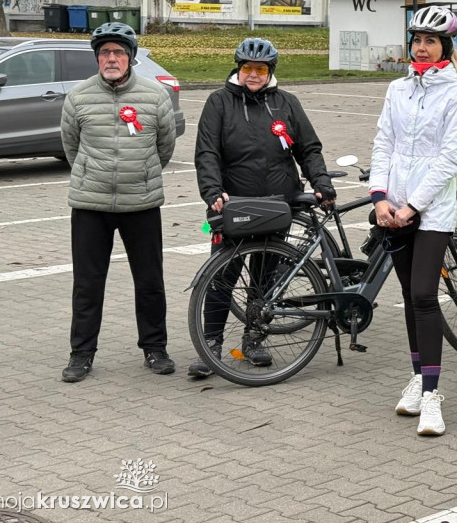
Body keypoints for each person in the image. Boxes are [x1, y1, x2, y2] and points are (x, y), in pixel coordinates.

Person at [190, 38, 337, 378]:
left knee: (264, 278)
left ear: (270, 71)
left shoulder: (286, 102)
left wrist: (321, 183)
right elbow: (207, 152)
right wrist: (212, 190)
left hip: (277, 203)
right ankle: (211, 345)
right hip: (233, 204)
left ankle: (253, 340)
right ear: (237, 69)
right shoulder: (219, 102)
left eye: (259, 69)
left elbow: (309, 148)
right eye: (246, 68)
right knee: (222, 277)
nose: (252, 75)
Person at [370, 5, 457, 437]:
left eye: (431, 41)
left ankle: (432, 395)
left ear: (446, 47)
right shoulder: (397, 89)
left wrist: (413, 205)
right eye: (418, 40)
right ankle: (417, 376)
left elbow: (451, 157)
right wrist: (380, 198)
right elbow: (383, 144)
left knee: (426, 296)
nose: (423, 47)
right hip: (392, 209)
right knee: (411, 297)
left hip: (430, 212)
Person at [59, 22, 177, 383]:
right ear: (97, 58)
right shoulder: (78, 97)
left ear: (130, 58)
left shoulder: (154, 96)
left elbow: (165, 147)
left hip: (140, 203)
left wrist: (139, 173)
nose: (112, 58)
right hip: (90, 204)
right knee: (88, 283)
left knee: (150, 281)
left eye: (119, 52)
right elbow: (71, 147)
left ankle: (155, 348)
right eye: (106, 53)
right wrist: (94, 173)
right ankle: (81, 353)